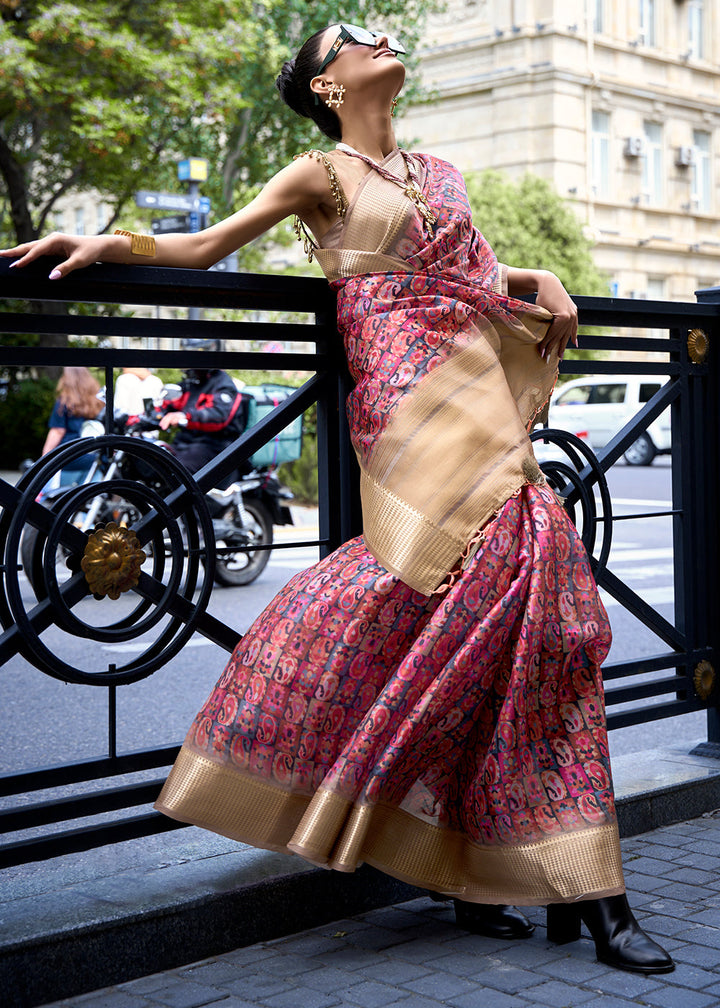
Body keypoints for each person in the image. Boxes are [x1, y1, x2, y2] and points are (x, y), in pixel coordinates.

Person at [0, 24, 674, 975]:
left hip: (477, 381)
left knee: (538, 622)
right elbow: (205, 244)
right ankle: (518, 874)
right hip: (406, 410)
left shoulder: (440, 171)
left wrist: (543, 274)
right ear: (327, 83)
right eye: (357, 37)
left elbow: (477, 274)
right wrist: (105, 240)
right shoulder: (318, 174)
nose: (382, 36)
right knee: (436, 603)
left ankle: (558, 883)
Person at [157, 367, 246, 477]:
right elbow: (170, 403)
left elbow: (218, 415)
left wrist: (184, 416)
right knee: (154, 462)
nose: (186, 370)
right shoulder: (191, 383)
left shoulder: (223, 385)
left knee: (175, 471)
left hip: (214, 445)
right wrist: (154, 413)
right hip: (186, 442)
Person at [41, 366, 103, 486]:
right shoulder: (98, 401)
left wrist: (44, 457)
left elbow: (58, 431)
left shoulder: (64, 402)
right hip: (93, 456)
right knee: (87, 495)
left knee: (64, 498)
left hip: (70, 456)